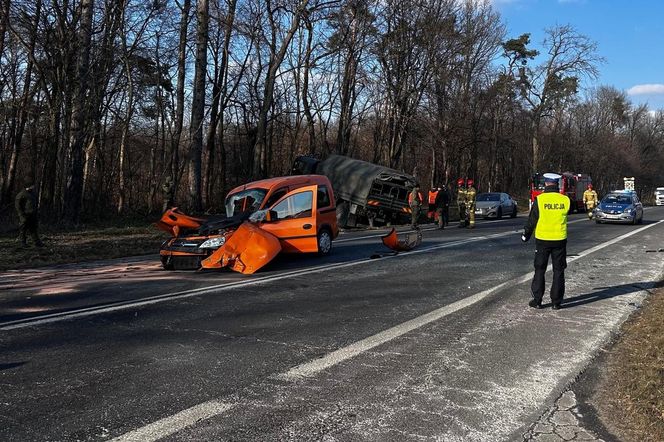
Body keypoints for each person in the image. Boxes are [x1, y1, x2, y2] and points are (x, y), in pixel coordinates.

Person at [522, 173, 570, 310]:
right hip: (560, 240)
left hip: (543, 240)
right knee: (559, 271)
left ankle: (537, 300)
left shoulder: (540, 199)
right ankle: (556, 302)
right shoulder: (565, 200)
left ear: (546, 183)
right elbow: (567, 212)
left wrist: (526, 234)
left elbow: (532, 219)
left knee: (540, 269)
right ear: (557, 184)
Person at [15, 181, 44, 247]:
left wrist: (36, 212)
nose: (33, 187)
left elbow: (35, 203)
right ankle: (23, 243)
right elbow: (18, 205)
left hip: (32, 214)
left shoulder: (33, 194)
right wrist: (21, 214)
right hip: (25, 215)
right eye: (32, 185)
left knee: (33, 229)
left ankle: (37, 242)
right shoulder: (21, 194)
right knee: (23, 230)